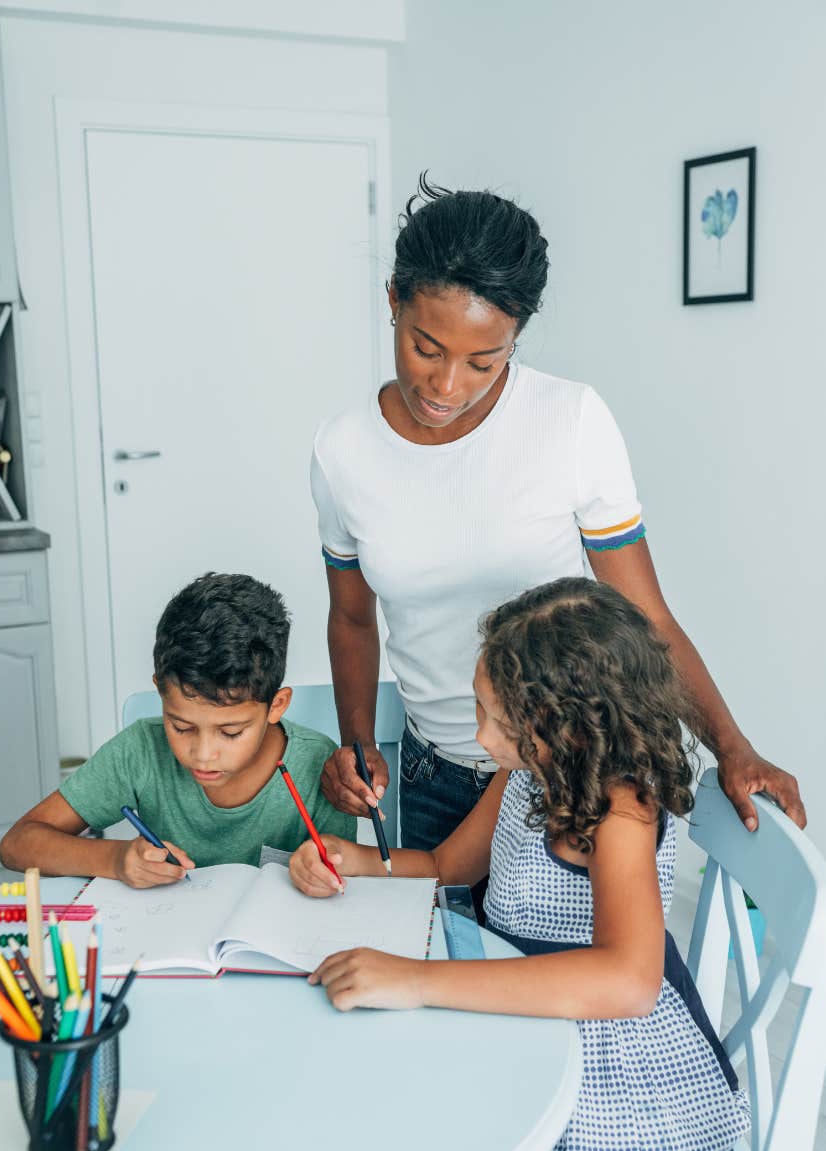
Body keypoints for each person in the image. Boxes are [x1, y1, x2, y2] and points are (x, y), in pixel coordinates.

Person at [311, 176, 804, 877]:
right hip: (433, 777)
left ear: (515, 339)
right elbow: (352, 620)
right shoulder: (343, 452)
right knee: (434, 972)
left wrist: (731, 745)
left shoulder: (569, 422)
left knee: (547, 977)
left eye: (484, 361)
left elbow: (645, 617)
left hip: (565, 780)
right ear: (393, 300)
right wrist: (355, 744)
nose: (446, 386)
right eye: (426, 348)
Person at [289, 579, 750, 1151]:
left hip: (606, 1079)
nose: (476, 734)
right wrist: (358, 862)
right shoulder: (528, 771)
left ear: (558, 725)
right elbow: (448, 867)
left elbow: (628, 981)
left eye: (488, 715)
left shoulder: (623, 809)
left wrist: (414, 981)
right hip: (519, 1014)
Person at [0, 573, 355, 886]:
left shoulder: (317, 764)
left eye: (230, 733)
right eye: (181, 726)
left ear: (276, 706)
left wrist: (321, 874)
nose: (201, 753)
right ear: (159, 691)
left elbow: (343, 878)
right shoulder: (140, 750)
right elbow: (18, 844)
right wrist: (116, 860)